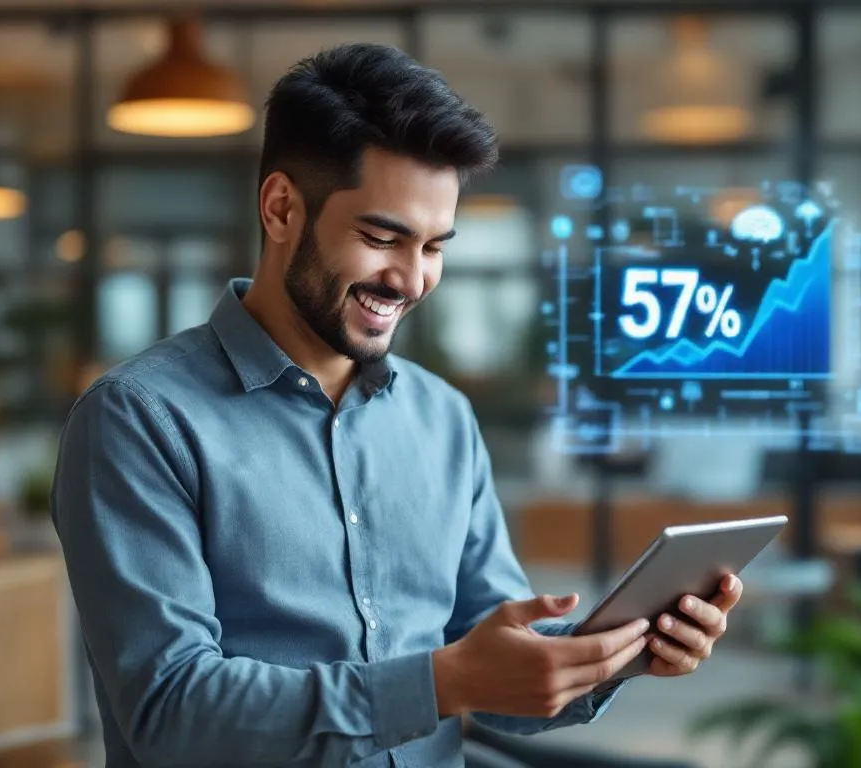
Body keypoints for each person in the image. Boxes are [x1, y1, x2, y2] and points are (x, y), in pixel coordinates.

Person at [52, 42, 744, 768]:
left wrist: (620, 652)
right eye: (381, 238)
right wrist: (439, 684)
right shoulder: (138, 420)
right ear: (282, 208)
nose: (411, 280)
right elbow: (170, 713)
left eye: (435, 247)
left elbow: (496, 660)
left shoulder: (442, 418)